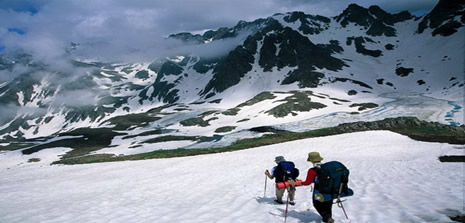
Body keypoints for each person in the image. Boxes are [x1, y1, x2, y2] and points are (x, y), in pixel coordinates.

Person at [290, 152, 335, 223]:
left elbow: (307, 182)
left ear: (311, 161)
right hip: (330, 188)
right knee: (328, 204)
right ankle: (328, 217)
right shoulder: (327, 167)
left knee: (317, 203)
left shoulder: (312, 170)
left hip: (318, 189)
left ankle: (327, 218)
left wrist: (295, 183)